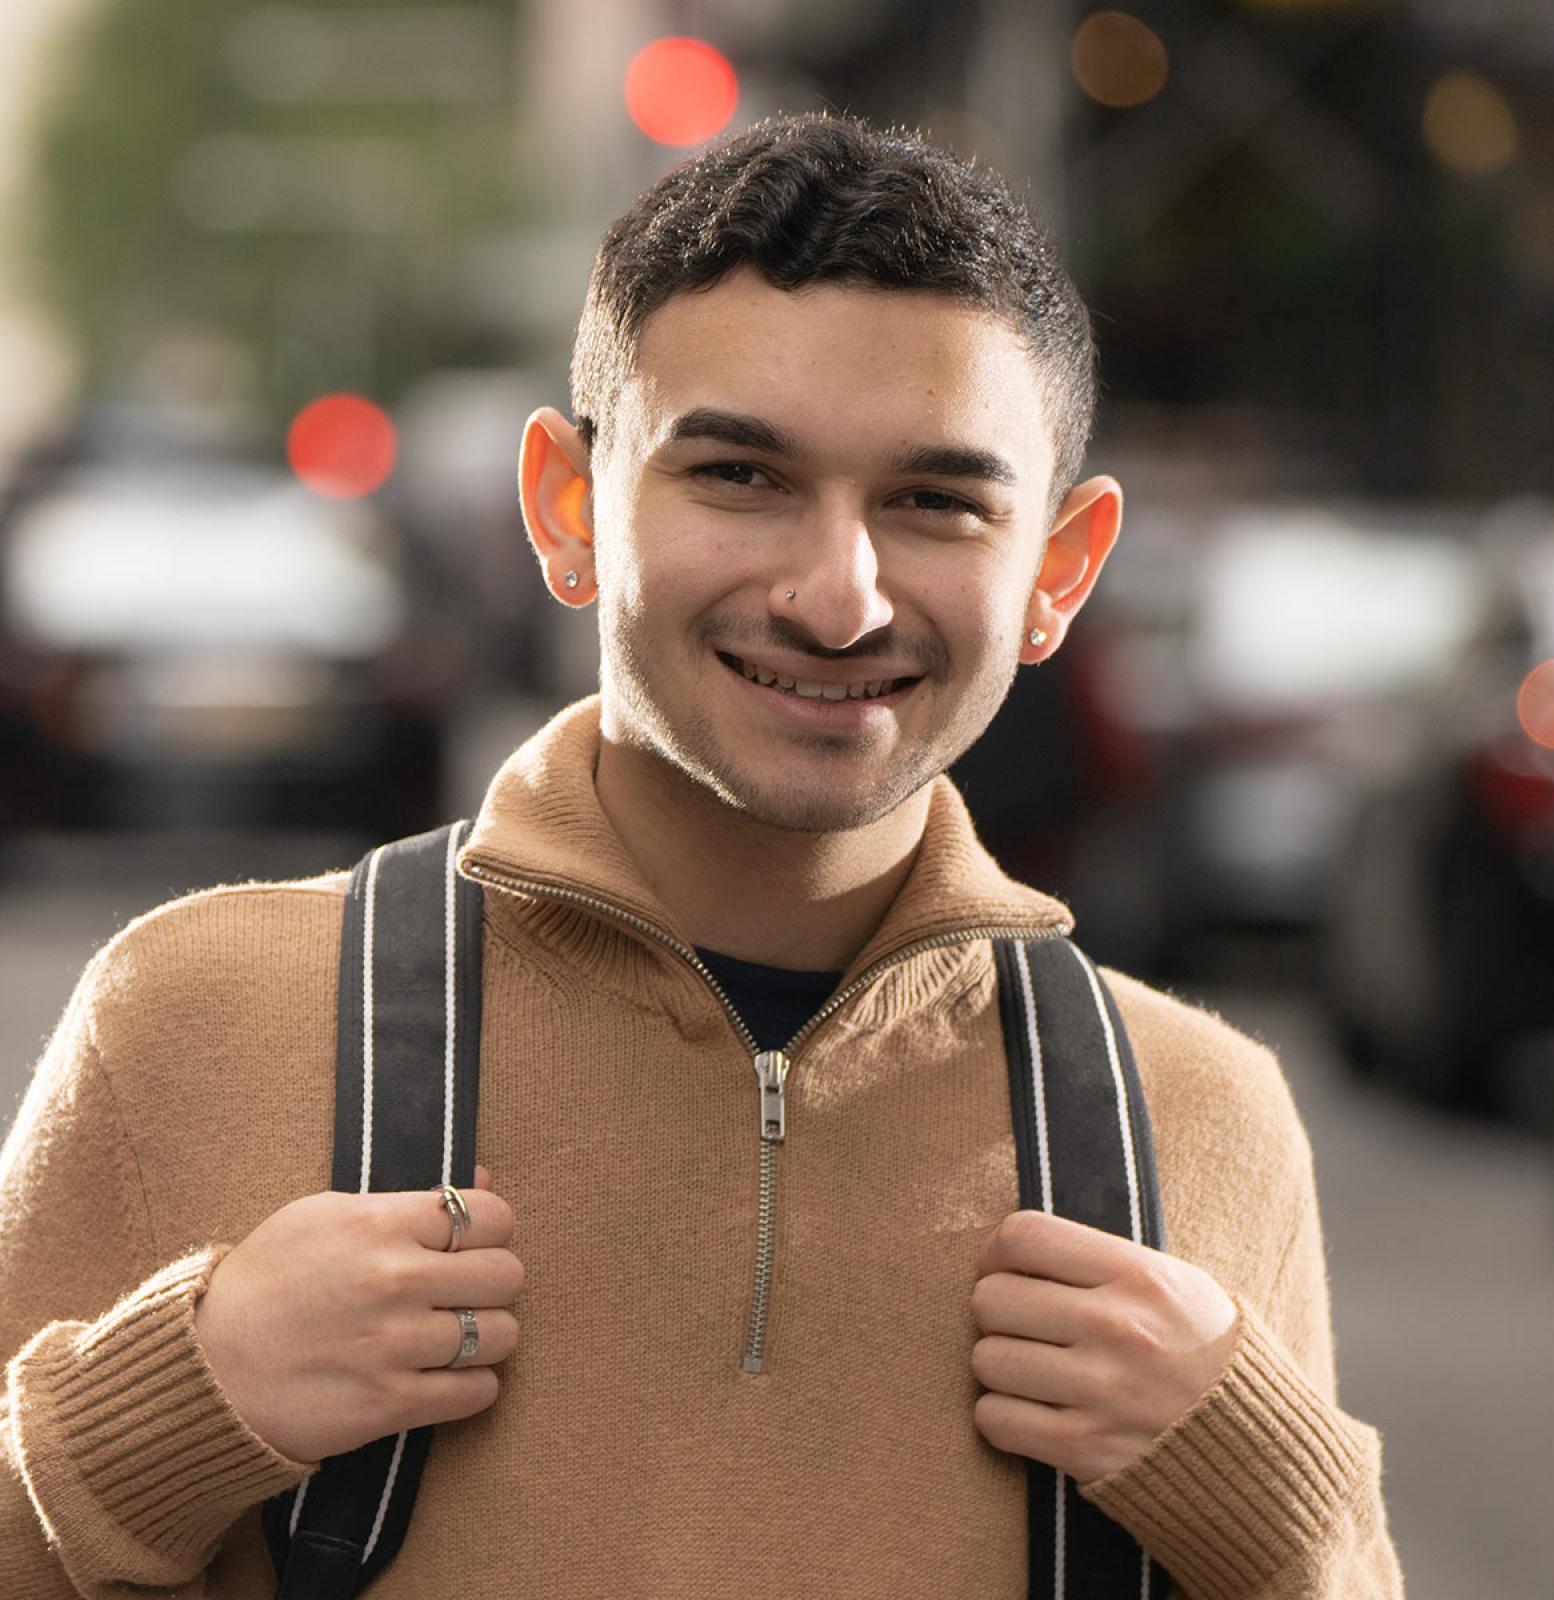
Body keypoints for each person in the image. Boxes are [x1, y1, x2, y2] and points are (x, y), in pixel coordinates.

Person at [0, 112, 1403, 1597]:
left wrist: (1281, 1515)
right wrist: (165, 1409)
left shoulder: (1194, 1121)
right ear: (567, 507)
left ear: (1057, 569)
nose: (838, 594)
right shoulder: (202, 1017)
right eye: (740, 475)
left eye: (935, 501)